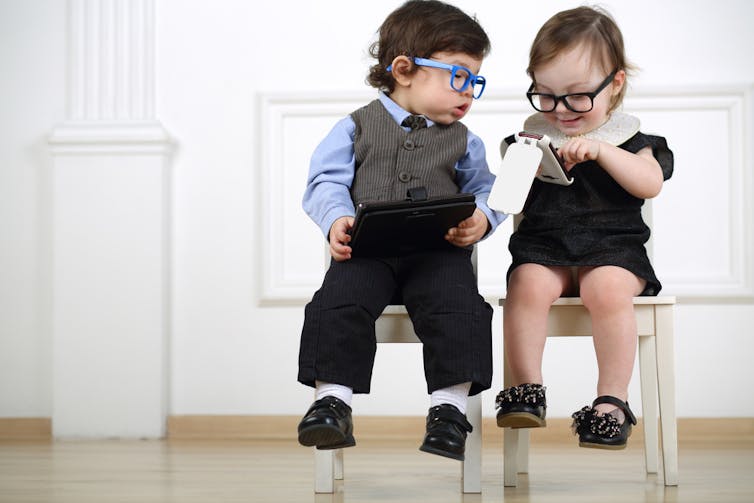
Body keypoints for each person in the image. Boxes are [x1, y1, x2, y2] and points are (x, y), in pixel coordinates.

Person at [296, 0, 505, 461]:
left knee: (460, 307)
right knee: (338, 301)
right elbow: (325, 180)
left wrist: (482, 219)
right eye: (458, 75)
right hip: (367, 250)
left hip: (437, 254)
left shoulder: (465, 140)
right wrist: (336, 218)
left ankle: (449, 412)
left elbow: (488, 190)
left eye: (475, 80)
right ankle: (332, 403)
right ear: (405, 69)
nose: (468, 91)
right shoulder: (356, 127)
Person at [494, 6, 673, 449]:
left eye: (576, 96)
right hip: (544, 248)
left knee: (606, 290)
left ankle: (611, 402)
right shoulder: (532, 138)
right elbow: (505, 200)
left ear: (614, 84)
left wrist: (602, 152)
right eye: (546, 95)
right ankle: (528, 390)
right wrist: (524, 165)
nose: (562, 111)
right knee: (525, 286)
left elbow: (650, 183)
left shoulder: (634, 142)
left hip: (614, 251)